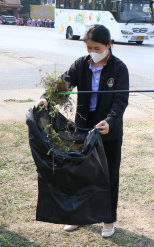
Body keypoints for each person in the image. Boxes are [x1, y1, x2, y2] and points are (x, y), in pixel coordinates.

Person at [34, 24, 129, 238]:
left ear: (108, 45)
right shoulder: (81, 64)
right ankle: (77, 217)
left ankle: (108, 220)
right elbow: (64, 84)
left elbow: (120, 101)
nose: (92, 53)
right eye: (89, 48)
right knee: (80, 172)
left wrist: (110, 122)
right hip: (83, 127)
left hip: (108, 131)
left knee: (109, 175)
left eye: (97, 48)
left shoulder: (119, 69)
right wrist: (45, 97)